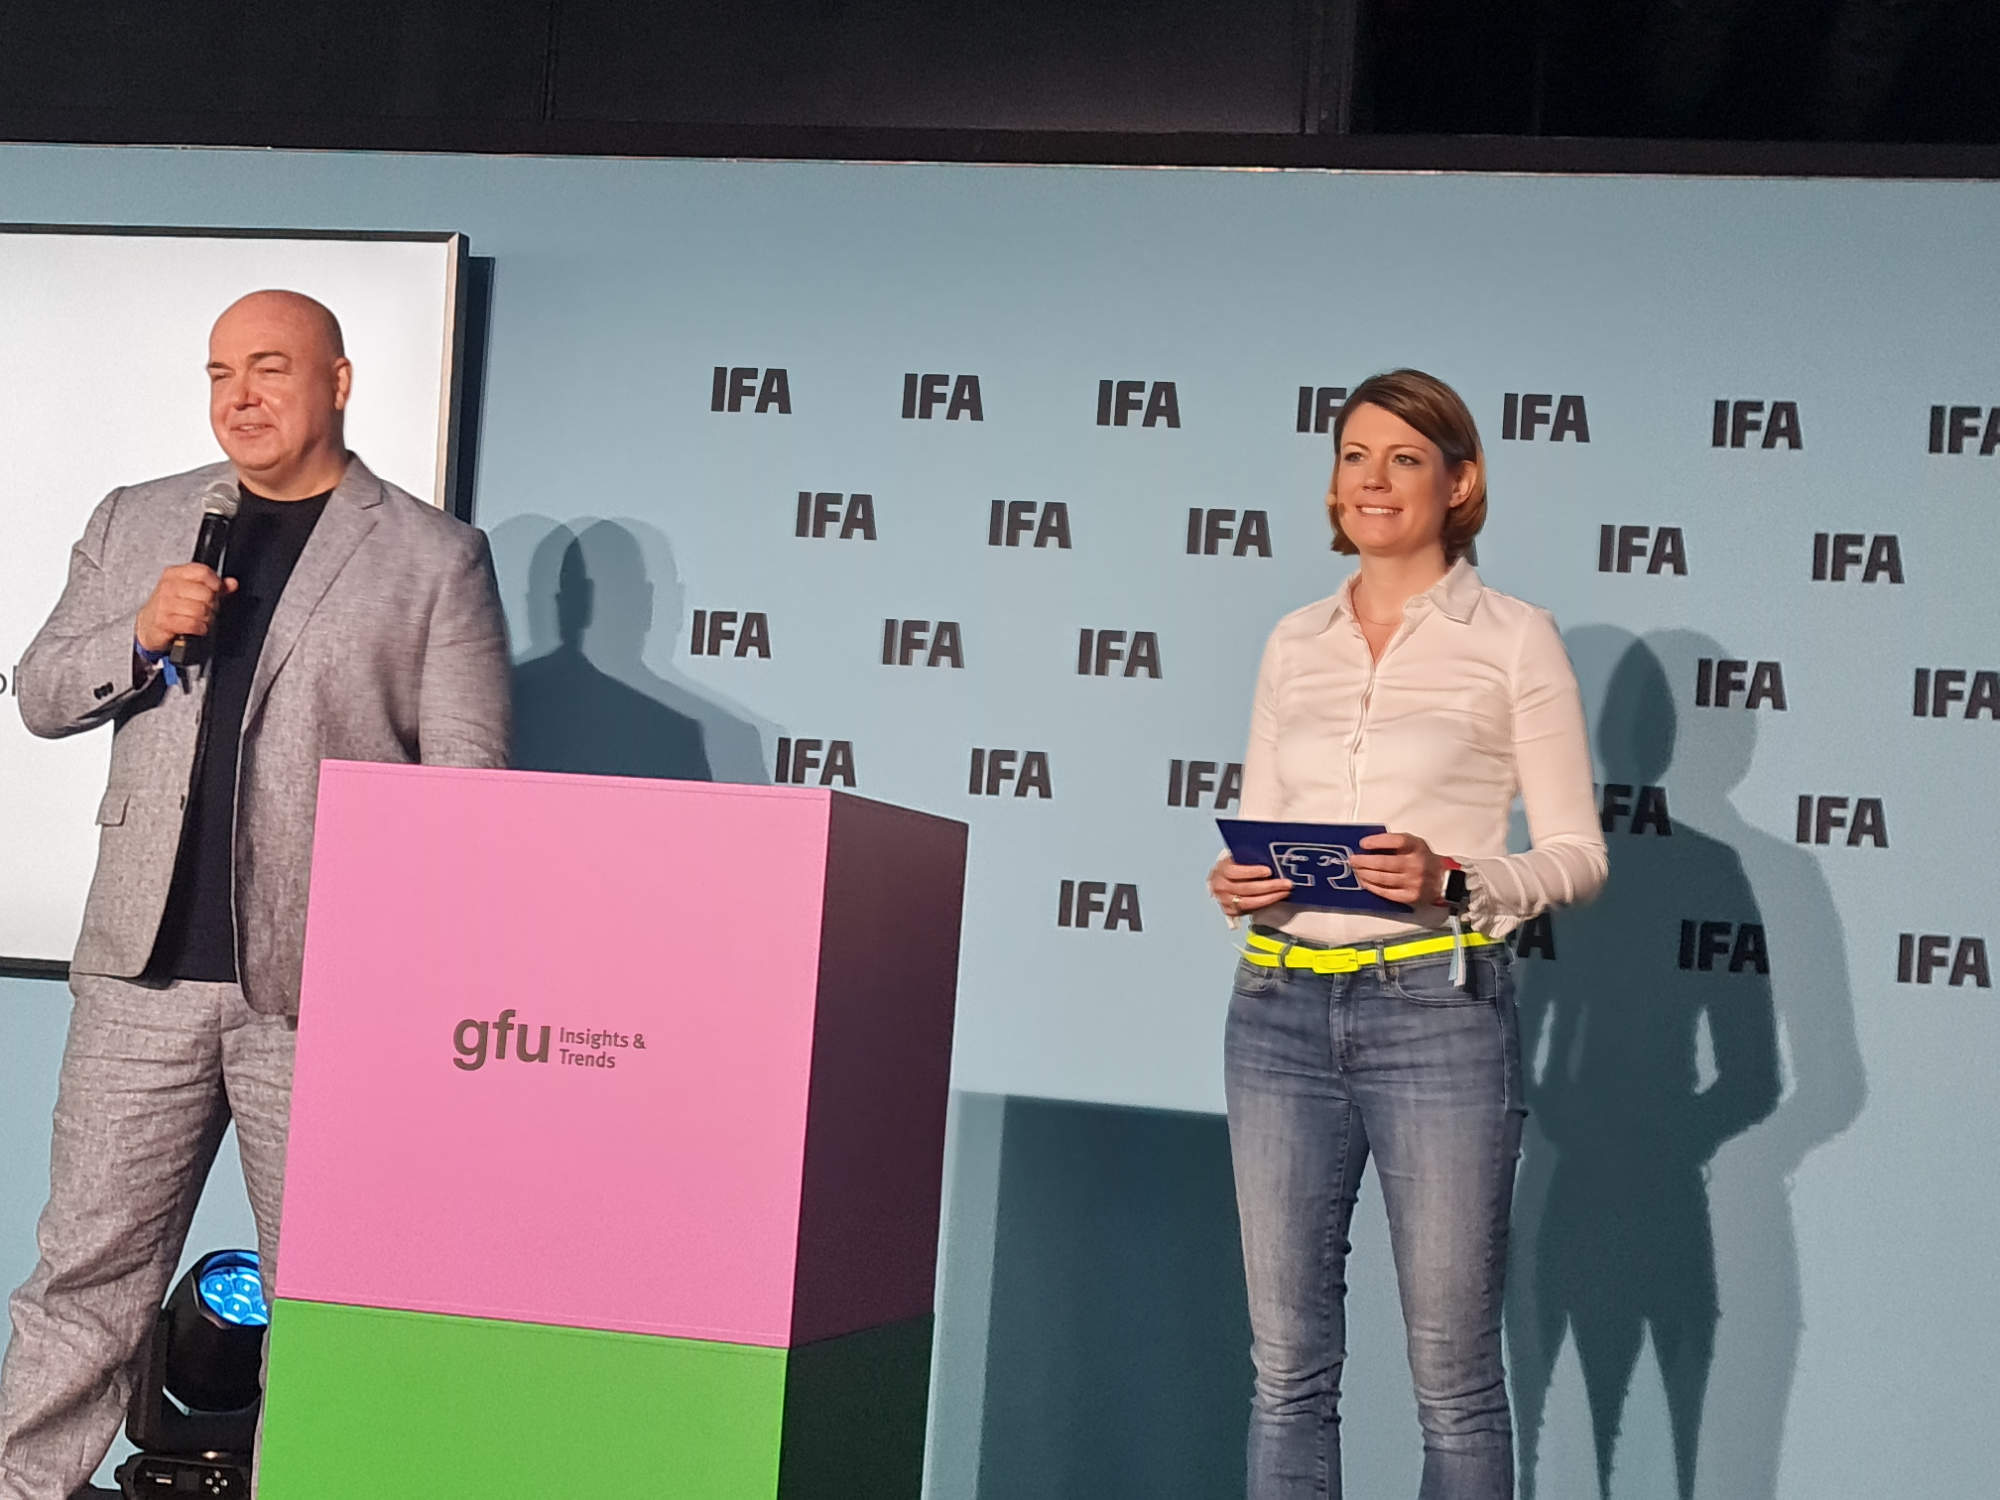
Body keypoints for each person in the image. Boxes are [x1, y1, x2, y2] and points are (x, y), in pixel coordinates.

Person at [0, 290, 511, 1499]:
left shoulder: (431, 557)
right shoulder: (140, 518)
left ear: (337, 381)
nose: (240, 396)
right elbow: (41, 691)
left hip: (327, 996)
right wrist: (140, 631)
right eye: (220, 372)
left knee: (333, 1305)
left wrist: (404, 976)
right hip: (139, 981)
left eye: (269, 367)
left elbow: (470, 788)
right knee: (80, 1286)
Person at [1208, 368, 1607, 1500]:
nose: (1372, 480)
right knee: (1285, 1374)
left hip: (1436, 1010)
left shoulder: (1514, 638)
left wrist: (1452, 880)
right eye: (1354, 457)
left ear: (1459, 482)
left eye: (1403, 458)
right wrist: (1241, 882)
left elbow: (1577, 855)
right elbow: (1265, 822)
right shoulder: (1294, 640)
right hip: (1275, 1007)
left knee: (1453, 1379)